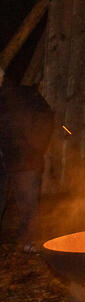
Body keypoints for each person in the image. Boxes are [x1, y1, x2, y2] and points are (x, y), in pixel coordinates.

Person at [0, 68, 54, 252]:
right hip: (3, 159)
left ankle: (29, 241)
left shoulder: (25, 95)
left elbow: (45, 116)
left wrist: (35, 145)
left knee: (28, 204)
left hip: (25, 160)